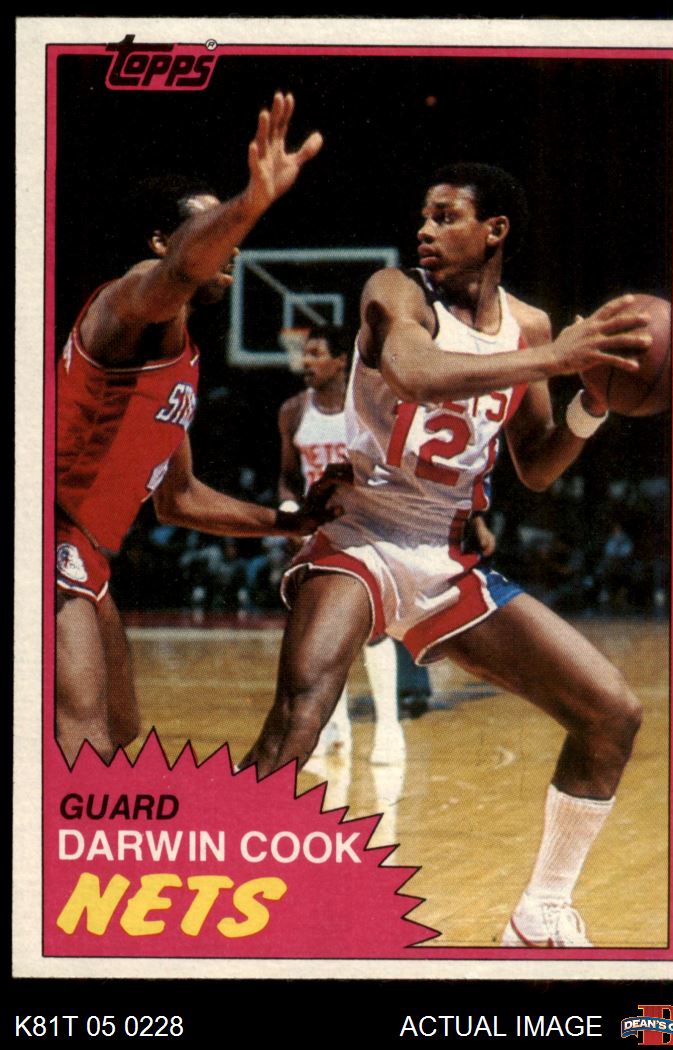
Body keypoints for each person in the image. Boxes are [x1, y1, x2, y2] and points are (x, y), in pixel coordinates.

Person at [238, 162, 653, 948]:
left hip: (445, 557)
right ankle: (213, 887)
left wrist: (592, 404)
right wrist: (553, 361)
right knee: (300, 718)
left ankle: (539, 914)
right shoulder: (395, 291)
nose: (425, 230)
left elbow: (537, 463)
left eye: (446, 216)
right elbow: (415, 373)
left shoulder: (530, 328)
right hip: (358, 535)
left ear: (495, 231)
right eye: (424, 216)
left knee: (611, 714)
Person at [56, 93, 326, 766]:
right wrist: (251, 202)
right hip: (46, 533)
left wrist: (288, 522)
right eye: (213, 229)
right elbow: (181, 268)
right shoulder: (129, 297)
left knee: (119, 736)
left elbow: (179, 499)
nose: (231, 246)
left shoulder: (180, 358)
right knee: (85, 747)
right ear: (159, 241)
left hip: (86, 550)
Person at [277, 323, 405, 764]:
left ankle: (389, 727)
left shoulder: (365, 408)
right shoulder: (293, 411)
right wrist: (290, 512)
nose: (306, 361)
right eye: (305, 353)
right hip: (318, 533)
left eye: (316, 353)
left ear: (340, 361)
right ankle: (335, 728)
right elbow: (287, 477)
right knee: (321, 632)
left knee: (373, 629)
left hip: (366, 527)